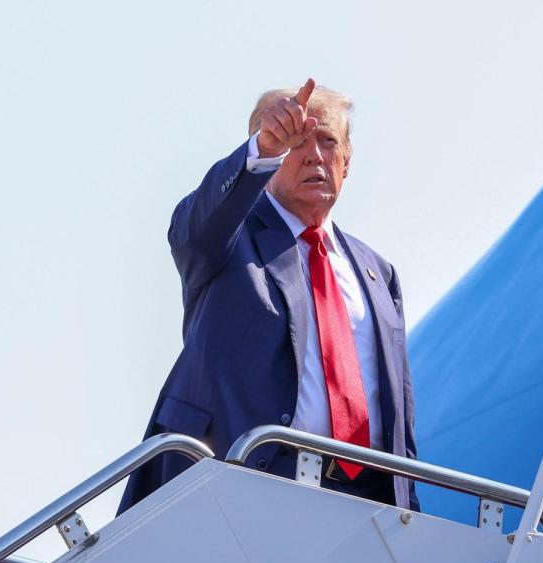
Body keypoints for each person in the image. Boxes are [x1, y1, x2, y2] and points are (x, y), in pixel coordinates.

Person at [118, 79, 418, 513]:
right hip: (243, 483)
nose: (314, 154)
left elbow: (399, 419)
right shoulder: (229, 236)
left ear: (347, 161)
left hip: (365, 503)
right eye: (296, 141)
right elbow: (194, 229)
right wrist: (263, 148)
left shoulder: (378, 273)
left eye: (328, 140)